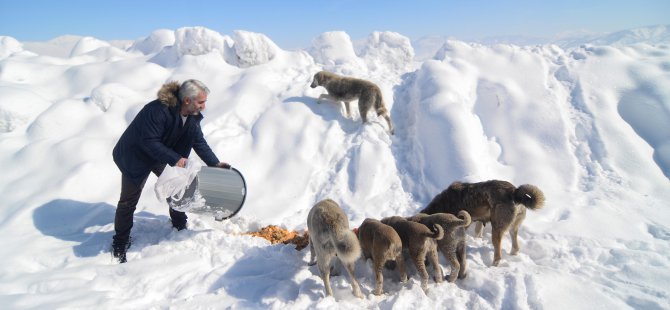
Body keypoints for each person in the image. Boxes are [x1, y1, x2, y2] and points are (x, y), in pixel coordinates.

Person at [111, 79, 229, 263]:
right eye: (201, 102)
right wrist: (176, 159)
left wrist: (215, 163)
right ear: (187, 100)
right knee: (128, 201)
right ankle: (120, 242)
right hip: (135, 156)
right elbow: (149, 142)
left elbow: (198, 142)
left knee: (179, 188)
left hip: (162, 155)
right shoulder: (157, 111)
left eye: (205, 101)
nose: (204, 106)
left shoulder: (191, 116)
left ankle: (179, 224)